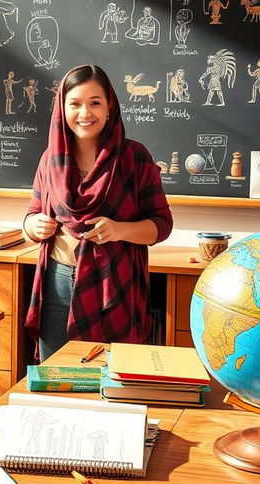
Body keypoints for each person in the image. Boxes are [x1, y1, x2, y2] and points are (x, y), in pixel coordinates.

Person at [23, 64, 173, 361]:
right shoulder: (50, 160)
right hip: (56, 283)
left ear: (109, 108)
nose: (84, 113)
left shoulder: (134, 157)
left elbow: (162, 224)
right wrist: (32, 226)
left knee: (114, 382)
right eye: (75, 104)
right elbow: (32, 215)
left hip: (114, 286)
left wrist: (119, 229)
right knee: (59, 378)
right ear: (62, 109)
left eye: (95, 103)